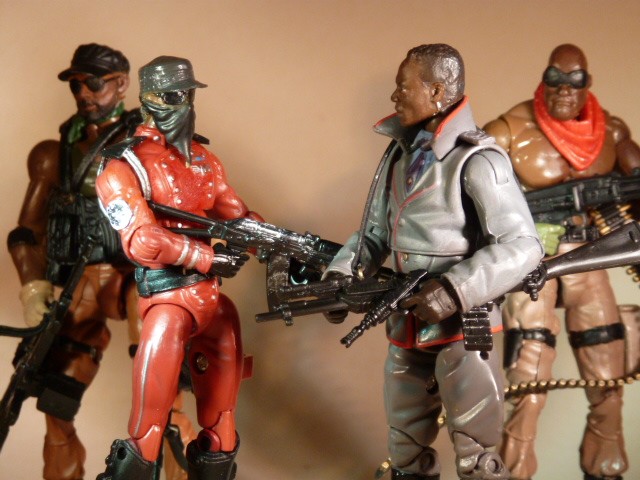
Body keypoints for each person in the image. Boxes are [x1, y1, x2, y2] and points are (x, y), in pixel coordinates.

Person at [324, 44, 543, 480]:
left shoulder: (478, 159)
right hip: (405, 321)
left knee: (477, 456)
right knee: (405, 451)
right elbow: (374, 234)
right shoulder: (398, 155)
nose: (395, 96)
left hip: (465, 325)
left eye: (403, 87)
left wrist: (454, 289)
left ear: (437, 91)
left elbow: (524, 245)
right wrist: (341, 275)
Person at [95, 56, 260, 480]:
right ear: (147, 100)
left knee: (222, 427)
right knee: (148, 430)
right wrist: (208, 257)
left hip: (213, 304)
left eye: (186, 95)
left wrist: (290, 248)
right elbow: (142, 240)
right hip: (167, 304)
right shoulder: (122, 166)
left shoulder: (203, 159)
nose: (181, 106)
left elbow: (239, 217)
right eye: (170, 97)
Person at [483, 43, 640, 480]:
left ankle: (605, 469)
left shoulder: (611, 132)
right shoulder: (508, 130)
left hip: (589, 256)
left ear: (588, 83)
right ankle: (513, 473)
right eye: (555, 78)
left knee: (608, 379)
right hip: (532, 260)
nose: (564, 89)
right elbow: (471, 195)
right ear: (544, 79)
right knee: (528, 384)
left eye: (575, 80)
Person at [7, 43, 141, 480]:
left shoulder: (146, 147)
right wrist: (33, 290)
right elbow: (26, 233)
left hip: (134, 277)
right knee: (54, 393)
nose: (83, 92)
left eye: (93, 82)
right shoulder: (55, 154)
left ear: (121, 84)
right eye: (76, 84)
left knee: (160, 381)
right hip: (79, 280)